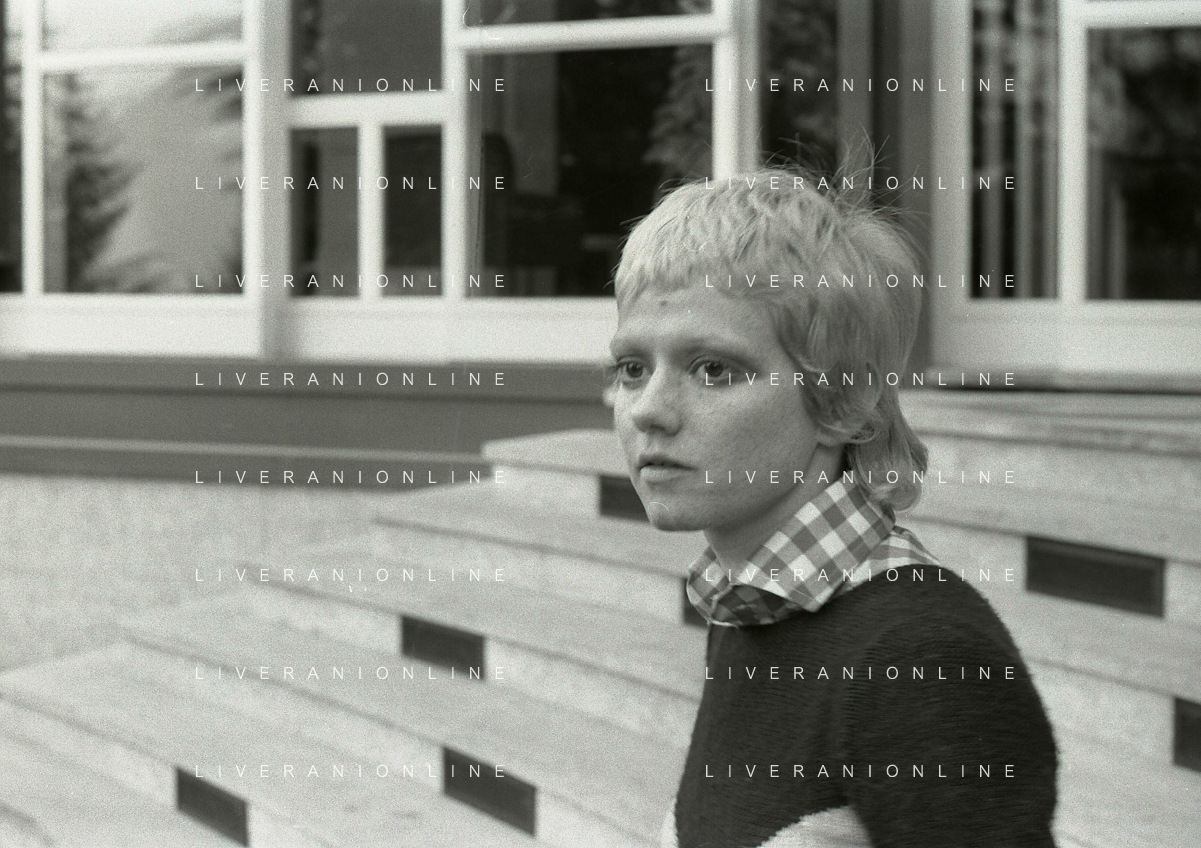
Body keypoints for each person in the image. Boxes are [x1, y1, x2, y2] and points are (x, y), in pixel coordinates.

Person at [606, 168, 1058, 848]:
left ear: (840, 401)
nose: (647, 409)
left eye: (713, 369)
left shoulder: (919, 657)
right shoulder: (748, 604)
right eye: (632, 368)